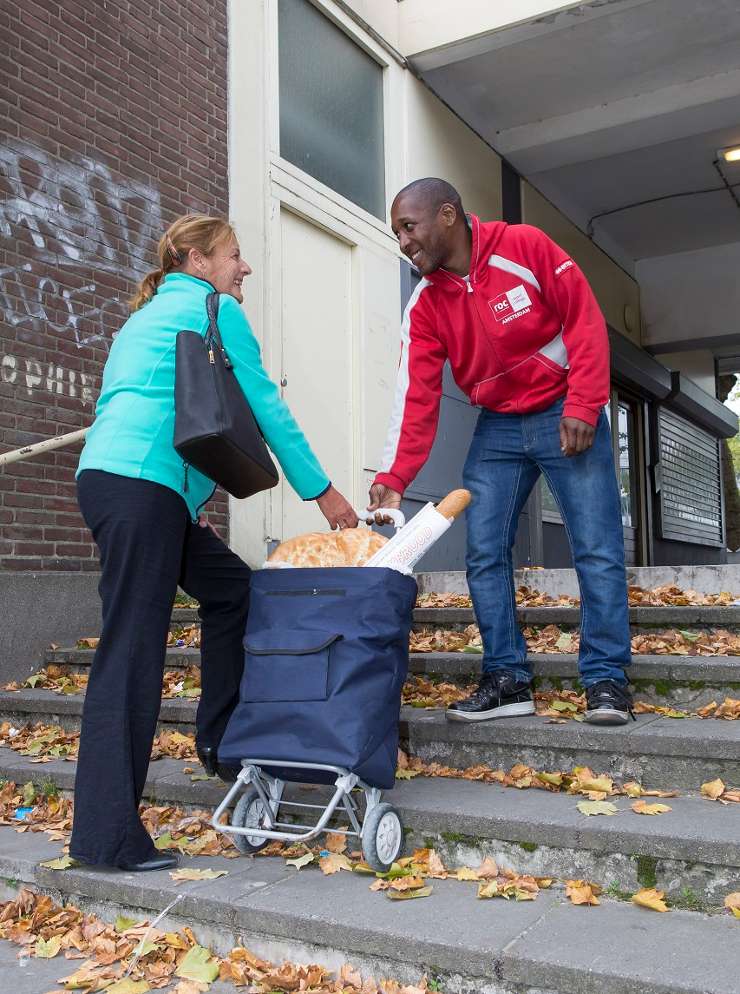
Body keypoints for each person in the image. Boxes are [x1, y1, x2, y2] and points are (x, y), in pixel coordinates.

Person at [72, 214, 358, 872]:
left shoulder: (144, 317)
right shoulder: (213, 307)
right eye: (234, 255)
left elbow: (163, 407)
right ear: (199, 261)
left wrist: (184, 501)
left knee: (233, 591)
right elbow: (263, 405)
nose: (243, 268)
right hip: (140, 488)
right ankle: (105, 836)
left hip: (129, 485)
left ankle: (222, 742)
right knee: (131, 651)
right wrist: (324, 493)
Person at [368, 178, 633, 726]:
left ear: (447, 214)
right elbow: (415, 393)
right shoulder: (425, 303)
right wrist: (396, 474)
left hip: (564, 409)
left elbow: (583, 320)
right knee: (484, 550)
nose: (403, 241)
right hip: (499, 427)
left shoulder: (525, 247)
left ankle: (606, 680)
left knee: (597, 546)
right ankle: (506, 678)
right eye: (396, 232)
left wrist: (585, 403)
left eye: (408, 227)